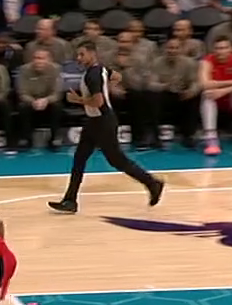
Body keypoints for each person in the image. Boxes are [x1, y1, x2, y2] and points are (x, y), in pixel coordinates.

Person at [48, 42, 164, 215]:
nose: (78, 58)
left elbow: (98, 102)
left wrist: (78, 100)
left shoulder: (92, 75)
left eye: (82, 54)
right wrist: (107, 86)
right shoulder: (102, 69)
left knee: (117, 160)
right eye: (78, 55)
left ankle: (152, 183)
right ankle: (70, 200)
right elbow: (117, 76)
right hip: (94, 121)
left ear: (92, 54)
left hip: (102, 122)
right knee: (79, 159)